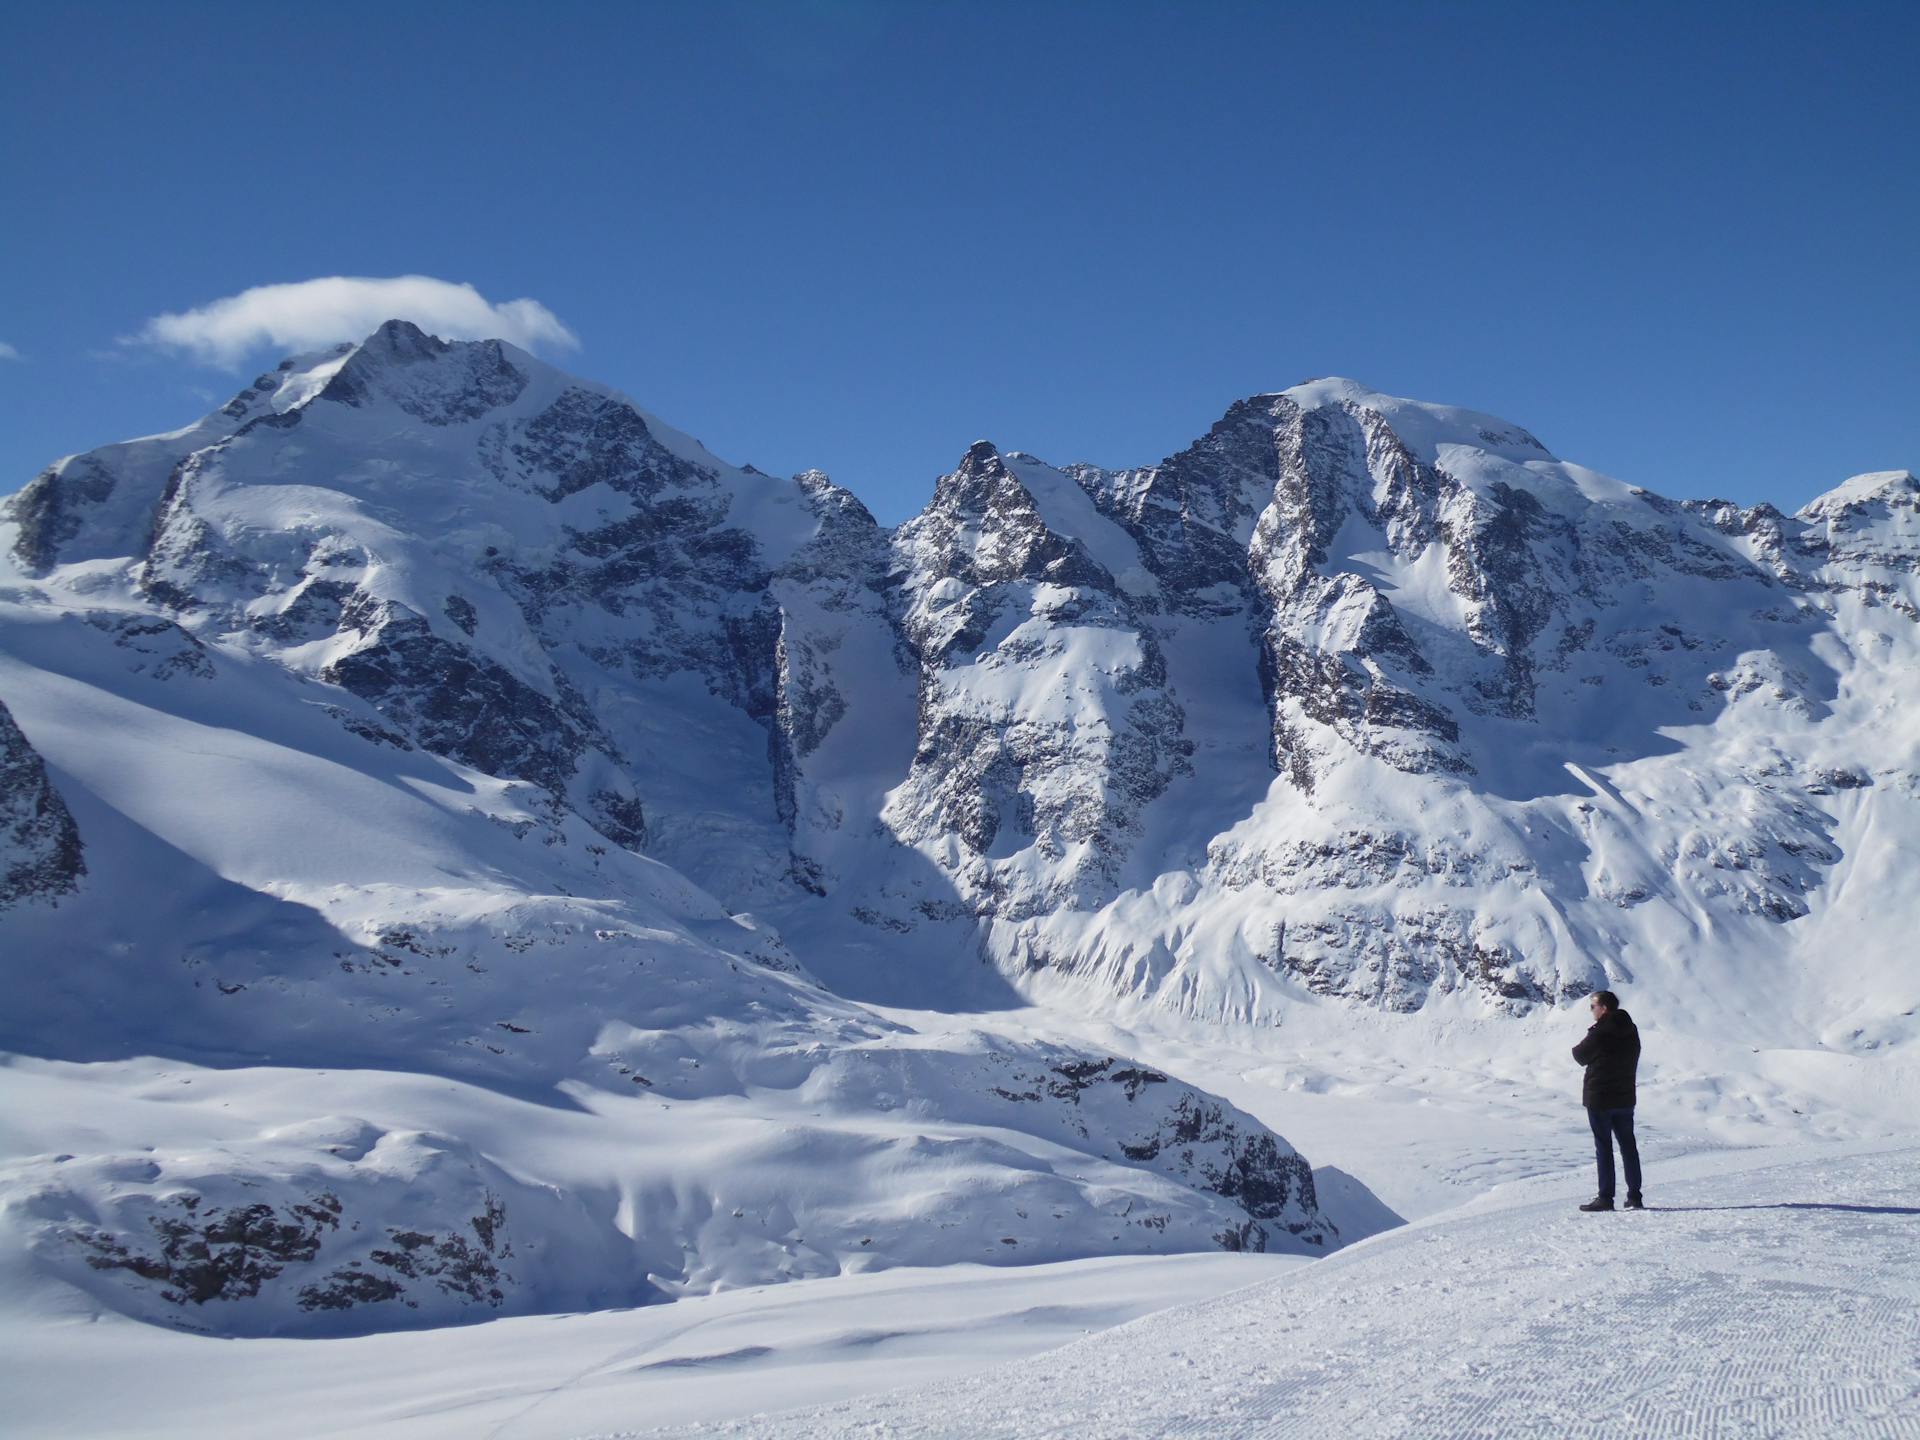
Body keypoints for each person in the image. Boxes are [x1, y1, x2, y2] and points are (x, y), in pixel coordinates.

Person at [1572, 989, 1642, 1211]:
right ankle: (1634, 1196)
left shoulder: (1601, 1032)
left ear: (1603, 1008)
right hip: (1625, 1096)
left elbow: (1579, 1055)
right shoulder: (1631, 1030)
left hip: (1600, 1097)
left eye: (1593, 1006)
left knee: (1604, 1147)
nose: (1591, 1011)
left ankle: (1606, 1197)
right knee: (1628, 1146)